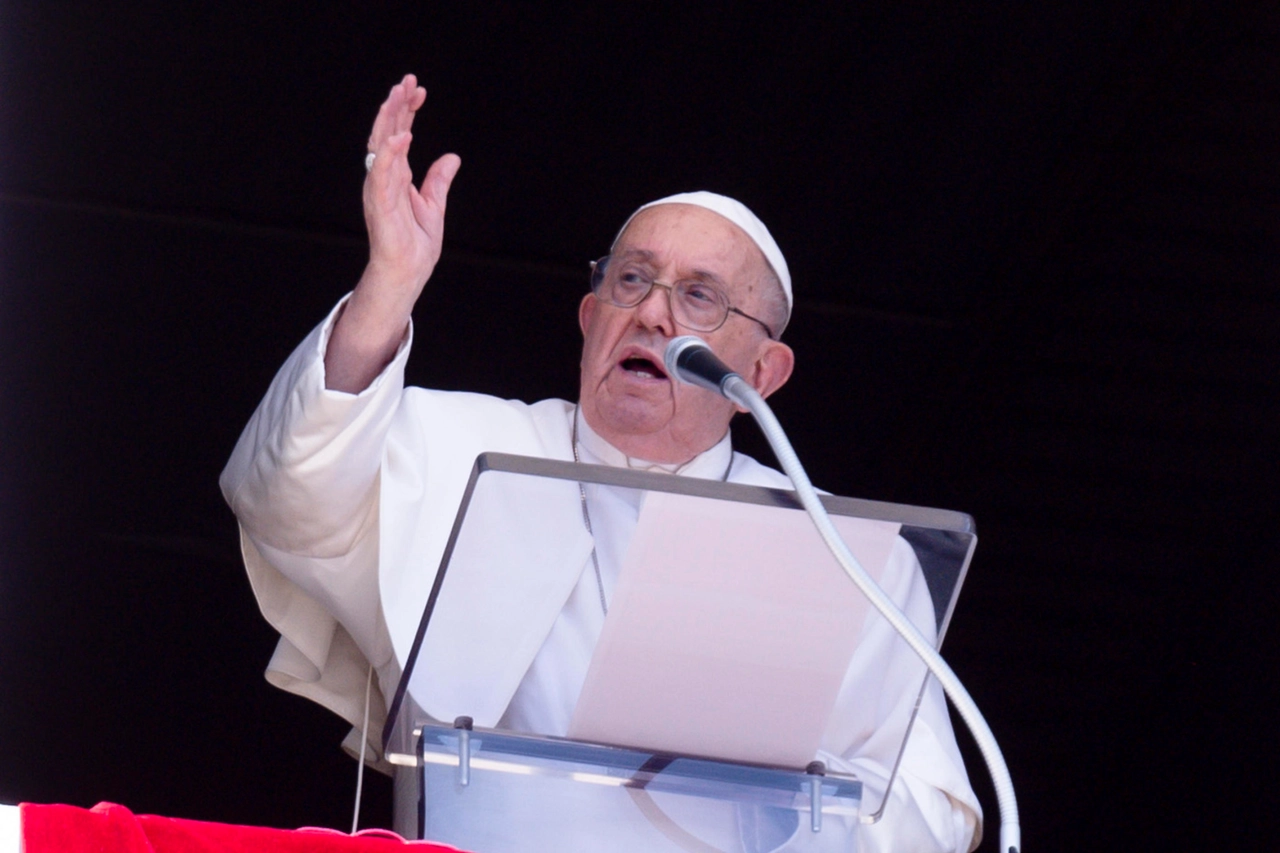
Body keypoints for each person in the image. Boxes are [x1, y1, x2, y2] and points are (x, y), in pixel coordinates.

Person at [221, 74, 981, 852]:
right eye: (631, 280)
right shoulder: (462, 447)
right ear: (591, 321)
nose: (653, 311)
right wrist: (390, 285)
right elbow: (287, 490)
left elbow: (929, 807)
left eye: (700, 297)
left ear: (761, 376)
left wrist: (781, 823)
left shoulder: (845, 556)